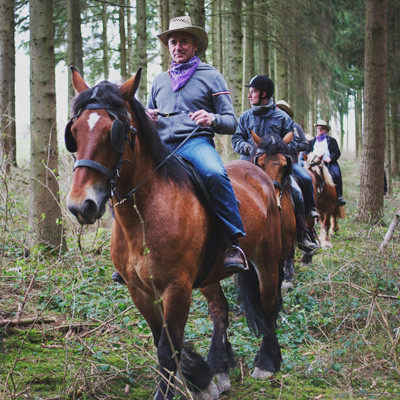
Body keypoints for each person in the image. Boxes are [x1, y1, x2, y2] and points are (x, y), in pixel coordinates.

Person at [145, 16, 247, 274]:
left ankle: (233, 242)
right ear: (168, 46)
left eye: (183, 42)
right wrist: (149, 120)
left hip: (195, 144)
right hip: (161, 148)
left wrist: (212, 118)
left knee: (214, 173)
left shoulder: (211, 76)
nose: (177, 47)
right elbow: (147, 118)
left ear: (195, 45)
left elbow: (231, 122)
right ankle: (132, 248)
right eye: (173, 42)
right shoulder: (158, 81)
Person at [232, 75, 317, 251]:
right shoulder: (245, 117)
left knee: (299, 188)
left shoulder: (283, 118)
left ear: (264, 94)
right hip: (249, 164)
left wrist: (280, 149)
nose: (249, 95)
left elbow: (294, 141)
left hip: (276, 166)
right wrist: (249, 148)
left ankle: (303, 233)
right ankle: (230, 241)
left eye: (253, 91)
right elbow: (236, 139)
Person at [276, 100, 319, 219]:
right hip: (273, 162)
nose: (279, 111)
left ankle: (311, 208)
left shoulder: (295, 127)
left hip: (291, 162)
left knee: (306, 179)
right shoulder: (272, 124)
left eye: (282, 110)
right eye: (278, 109)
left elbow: (304, 144)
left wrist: (289, 146)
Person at [307, 119, 346, 206]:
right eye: (318, 128)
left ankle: (339, 196)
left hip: (328, 163)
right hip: (314, 164)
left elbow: (337, 152)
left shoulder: (331, 140)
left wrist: (330, 158)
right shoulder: (312, 141)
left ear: (326, 130)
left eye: (322, 128)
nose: (320, 130)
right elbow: (307, 152)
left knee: (336, 174)